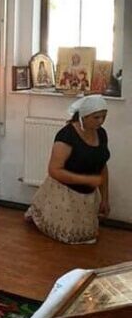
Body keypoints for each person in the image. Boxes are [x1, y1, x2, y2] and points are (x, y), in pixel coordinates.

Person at [25, 95, 110, 244]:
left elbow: (102, 164)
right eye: (96, 117)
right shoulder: (66, 135)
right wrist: (87, 179)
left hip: (86, 196)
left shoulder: (101, 134)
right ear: (84, 116)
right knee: (69, 237)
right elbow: (54, 170)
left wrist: (105, 198)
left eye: (104, 117)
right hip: (65, 194)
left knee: (88, 236)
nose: (101, 121)